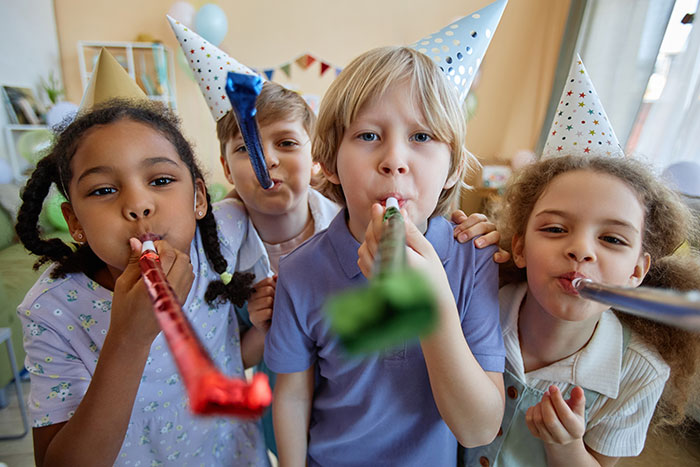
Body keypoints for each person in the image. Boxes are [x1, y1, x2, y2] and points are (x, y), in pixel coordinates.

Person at [263, 46, 506, 466]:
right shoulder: (300, 271)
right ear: (330, 164)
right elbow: (293, 395)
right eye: (368, 136)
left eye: (422, 136)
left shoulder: (475, 259)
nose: (394, 160)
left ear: (452, 168)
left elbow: (479, 427)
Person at [14, 99, 272, 466]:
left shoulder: (223, 236)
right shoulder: (51, 311)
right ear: (74, 222)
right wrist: (129, 336)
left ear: (199, 198)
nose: (138, 205)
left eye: (161, 180)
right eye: (103, 190)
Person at [466, 154, 700, 466]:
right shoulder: (471, 306)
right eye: (555, 229)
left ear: (636, 272)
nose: (581, 250)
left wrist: (566, 447)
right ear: (520, 248)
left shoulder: (639, 372)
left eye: (612, 239)